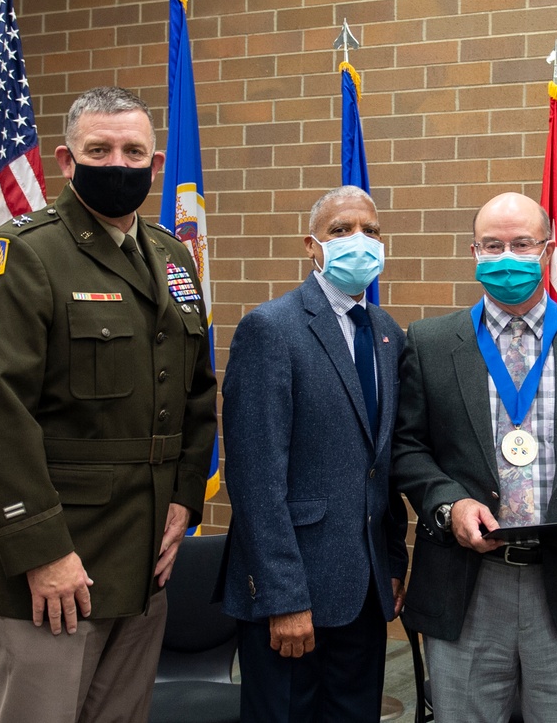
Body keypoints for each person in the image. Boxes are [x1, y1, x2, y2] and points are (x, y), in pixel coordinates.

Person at [0, 86, 217, 723]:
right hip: (52, 558)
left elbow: (196, 391)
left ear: (156, 167)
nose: (117, 164)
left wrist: (184, 498)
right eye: (99, 150)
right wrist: (43, 551)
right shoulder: (22, 254)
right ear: (67, 162)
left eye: (134, 152)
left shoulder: (172, 257)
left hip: (144, 554)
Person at [392, 192, 557, 723]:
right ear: (474, 253)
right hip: (467, 583)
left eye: (522, 243)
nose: (507, 257)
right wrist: (448, 505)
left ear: (548, 250)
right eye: (492, 245)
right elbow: (408, 447)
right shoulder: (431, 342)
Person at [219, 185, 409, 722]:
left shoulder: (388, 334)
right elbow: (255, 479)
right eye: (341, 230)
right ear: (312, 246)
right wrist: (283, 598)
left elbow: (383, 463)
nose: (359, 242)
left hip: (365, 592)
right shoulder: (271, 329)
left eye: (371, 232)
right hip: (293, 596)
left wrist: (393, 561)